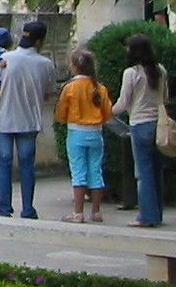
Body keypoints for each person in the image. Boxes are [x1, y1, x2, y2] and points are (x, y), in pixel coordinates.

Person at [0, 19, 57, 219]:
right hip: (29, 120)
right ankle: (27, 208)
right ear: (40, 42)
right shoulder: (46, 64)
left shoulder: (4, 59)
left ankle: (4, 208)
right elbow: (48, 93)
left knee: (4, 164)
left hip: (4, 119)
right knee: (27, 166)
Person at [113, 33, 168, 227]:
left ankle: (146, 216)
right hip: (159, 124)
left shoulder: (131, 73)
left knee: (143, 172)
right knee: (156, 171)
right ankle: (157, 213)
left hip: (139, 124)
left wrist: (106, 113)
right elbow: (165, 98)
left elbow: (123, 102)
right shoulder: (160, 70)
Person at [54, 48, 112, 223]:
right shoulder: (100, 88)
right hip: (96, 132)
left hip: (76, 132)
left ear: (75, 67)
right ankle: (96, 211)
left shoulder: (70, 87)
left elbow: (60, 113)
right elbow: (107, 113)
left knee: (78, 171)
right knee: (96, 170)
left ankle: (78, 212)